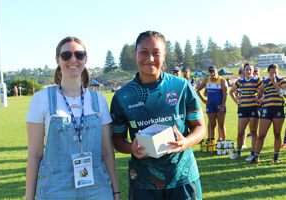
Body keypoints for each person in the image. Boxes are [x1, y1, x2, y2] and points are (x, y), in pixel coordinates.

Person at [111, 31, 205, 200]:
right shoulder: (123, 96)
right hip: (143, 180)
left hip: (182, 176)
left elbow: (199, 127)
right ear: (135, 54)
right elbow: (117, 139)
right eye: (144, 52)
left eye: (156, 52)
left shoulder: (181, 86)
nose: (150, 58)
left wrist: (185, 142)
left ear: (164, 55)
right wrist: (131, 148)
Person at [25, 36, 120, 199]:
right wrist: (29, 197)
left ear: (86, 59)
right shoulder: (41, 99)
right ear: (57, 60)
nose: (73, 59)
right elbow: (35, 155)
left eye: (79, 55)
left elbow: (107, 152)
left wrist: (116, 192)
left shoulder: (99, 100)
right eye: (66, 55)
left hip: (97, 189)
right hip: (54, 189)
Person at [250, 63, 286, 164]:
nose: (273, 74)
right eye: (271, 72)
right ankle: (256, 157)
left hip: (278, 109)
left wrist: (275, 83)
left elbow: (283, 93)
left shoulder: (282, 81)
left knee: (277, 134)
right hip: (266, 110)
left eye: (275, 72)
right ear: (268, 72)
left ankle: (276, 157)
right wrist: (257, 98)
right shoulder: (264, 82)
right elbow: (260, 95)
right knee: (261, 134)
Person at [229, 63, 262, 161]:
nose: (248, 71)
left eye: (250, 69)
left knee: (253, 132)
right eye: (246, 69)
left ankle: (252, 153)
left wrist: (260, 100)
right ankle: (238, 153)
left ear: (253, 70)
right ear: (243, 71)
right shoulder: (240, 81)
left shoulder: (257, 80)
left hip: (253, 109)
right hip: (243, 108)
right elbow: (231, 92)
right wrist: (236, 102)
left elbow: (264, 90)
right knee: (240, 132)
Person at [197, 65, 228, 142]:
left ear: (216, 71)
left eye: (213, 72)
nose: (212, 74)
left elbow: (225, 94)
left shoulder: (222, 81)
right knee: (212, 124)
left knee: (221, 125)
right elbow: (198, 90)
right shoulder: (206, 80)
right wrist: (203, 100)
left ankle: (223, 141)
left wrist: (223, 106)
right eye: (210, 72)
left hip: (219, 105)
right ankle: (212, 141)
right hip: (210, 105)